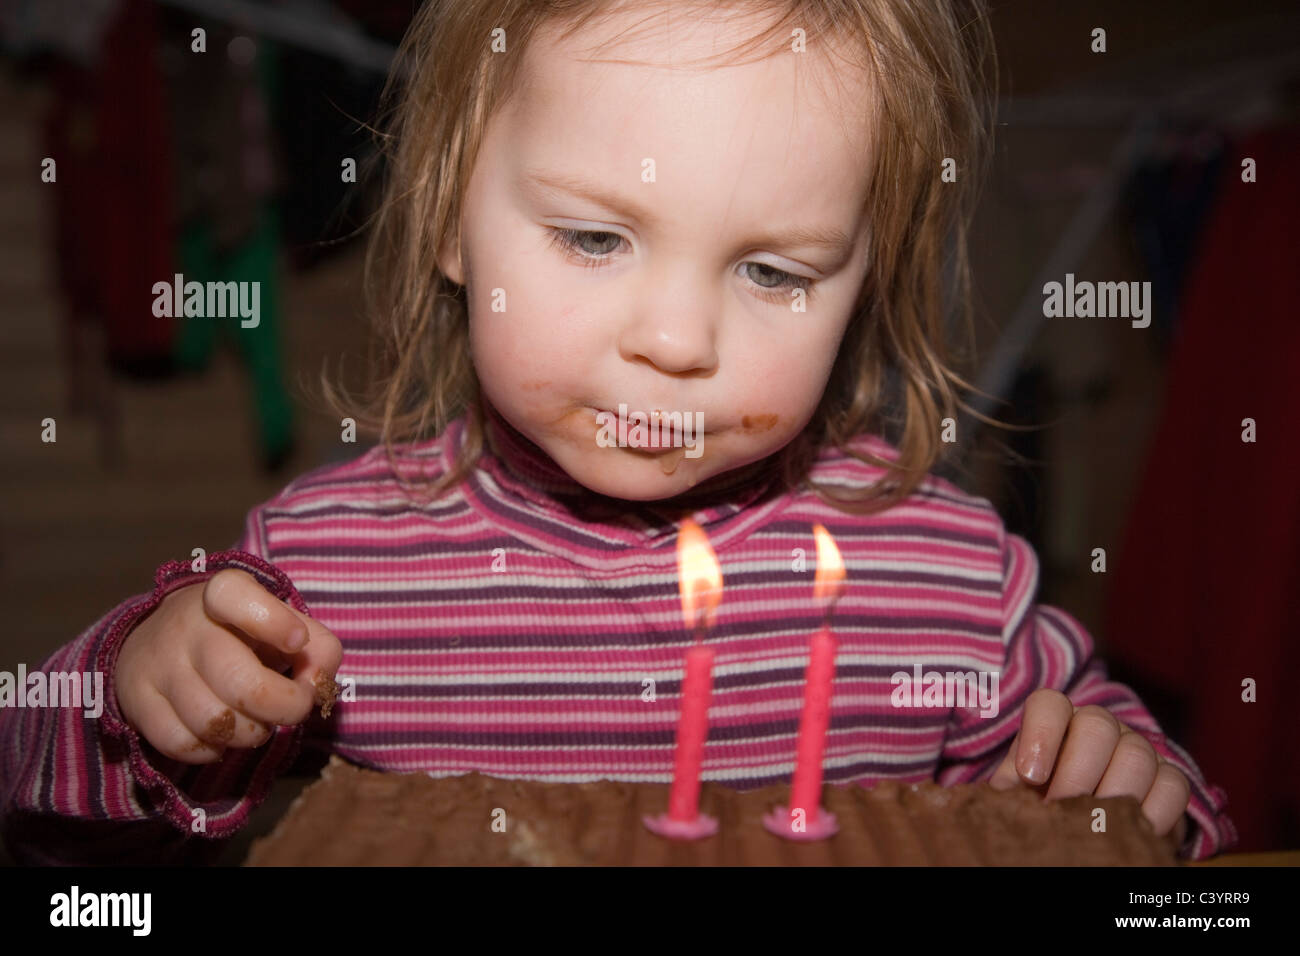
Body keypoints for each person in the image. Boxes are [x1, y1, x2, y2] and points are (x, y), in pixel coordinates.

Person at [0, 0, 1235, 865]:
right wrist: (139, 696)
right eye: (596, 238)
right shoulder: (323, 572)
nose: (677, 339)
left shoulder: (948, 577)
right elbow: (40, 810)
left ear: (866, 280)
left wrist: (1134, 793)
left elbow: (1188, 826)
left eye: (772, 268)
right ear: (447, 221)